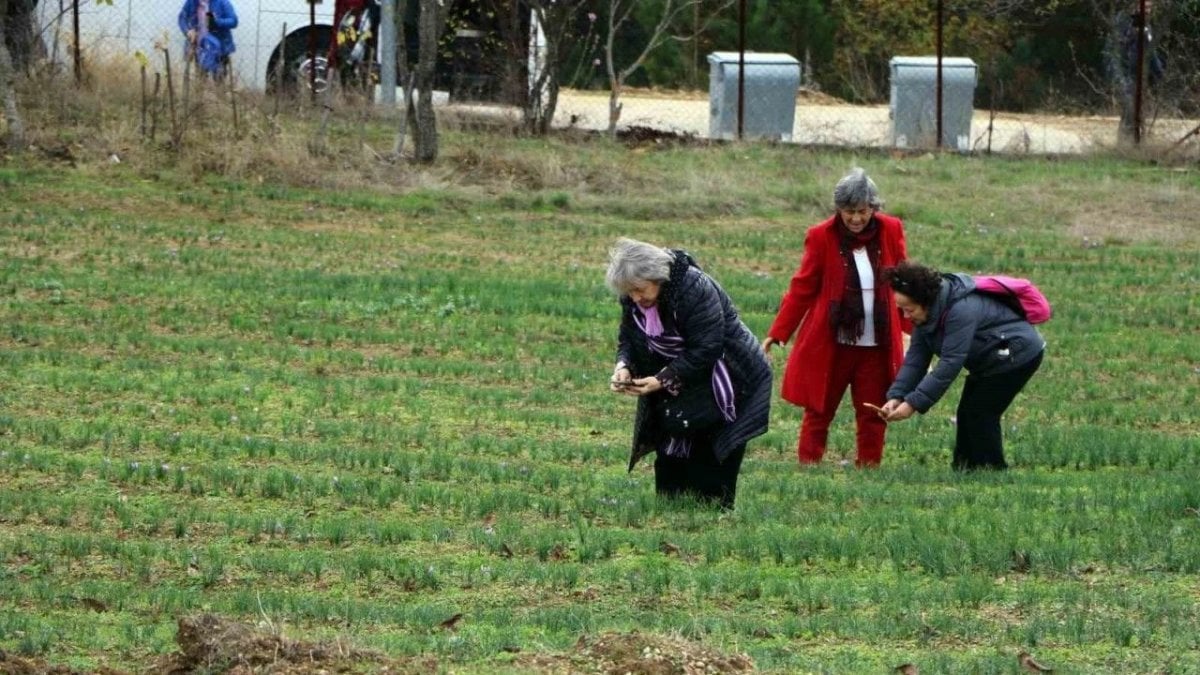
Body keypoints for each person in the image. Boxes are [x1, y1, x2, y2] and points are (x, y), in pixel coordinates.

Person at [606, 237, 771, 510]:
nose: (635, 298)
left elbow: (707, 347)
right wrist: (623, 366)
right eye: (629, 292)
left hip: (727, 378)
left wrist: (661, 379)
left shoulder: (694, 288)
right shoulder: (635, 296)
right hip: (678, 380)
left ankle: (712, 524)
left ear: (656, 277)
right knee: (671, 462)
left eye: (639, 290)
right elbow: (629, 337)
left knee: (710, 460)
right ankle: (672, 520)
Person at [761, 168, 909, 467]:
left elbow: (903, 281)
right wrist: (779, 332)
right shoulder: (821, 236)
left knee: (872, 410)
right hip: (833, 341)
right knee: (819, 409)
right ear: (838, 210)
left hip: (876, 342)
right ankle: (808, 464)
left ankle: (869, 467)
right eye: (849, 212)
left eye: (863, 211)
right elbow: (802, 286)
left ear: (874, 208)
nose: (856, 219)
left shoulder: (891, 230)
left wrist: (909, 329)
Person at [877, 261, 1046, 471]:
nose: (905, 316)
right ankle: (964, 469)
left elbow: (950, 363)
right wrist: (898, 395)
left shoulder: (960, 310)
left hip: (1018, 355)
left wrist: (913, 404)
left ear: (925, 301)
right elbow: (916, 359)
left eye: (909, 309)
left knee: (981, 412)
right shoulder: (925, 317)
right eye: (901, 310)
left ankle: (991, 471)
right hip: (990, 358)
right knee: (967, 412)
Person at [1108, 0, 1165, 142]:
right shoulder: (1122, 22)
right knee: (1130, 109)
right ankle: (1125, 145)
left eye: (1150, 7)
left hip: (1138, 77)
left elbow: (1152, 53)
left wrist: (1160, 75)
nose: (1147, 10)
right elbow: (1114, 51)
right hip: (1125, 74)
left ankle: (1133, 145)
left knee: (1136, 112)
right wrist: (1117, 76)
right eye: (1144, 6)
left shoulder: (1147, 26)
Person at [178, 0, 239, 78]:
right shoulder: (191, 2)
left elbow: (234, 21)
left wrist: (217, 22)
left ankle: (219, 88)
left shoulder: (222, 2)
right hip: (199, 46)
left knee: (219, 78)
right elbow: (182, 18)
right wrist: (188, 31)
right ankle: (201, 89)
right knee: (200, 77)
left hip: (220, 47)